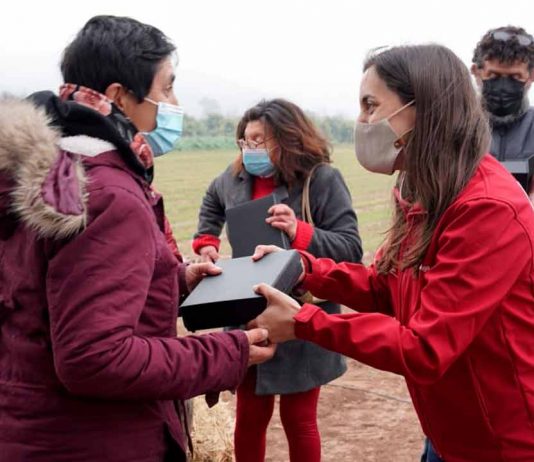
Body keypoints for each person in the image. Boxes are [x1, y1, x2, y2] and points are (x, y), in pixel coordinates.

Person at [0, 15, 275, 462]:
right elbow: (95, 359)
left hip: (33, 426)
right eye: (166, 88)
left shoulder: (46, 173)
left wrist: (169, 277)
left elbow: (49, 295)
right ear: (118, 97)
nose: (173, 102)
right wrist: (227, 352)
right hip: (95, 441)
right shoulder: (109, 195)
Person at [249, 45, 534, 462]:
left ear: (426, 109)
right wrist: (303, 270)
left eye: (371, 105)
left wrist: (305, 323)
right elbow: (387, 289)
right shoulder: (421, 189)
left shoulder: (486, 207)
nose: (362, 121)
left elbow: (425, 348)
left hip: (501, 441)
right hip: (449, 429)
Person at [192, 98, 362, 462]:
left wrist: (300, 232)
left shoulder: (322, 180)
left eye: (260, 141)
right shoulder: (233, 178)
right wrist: (206, 241)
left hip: (300, 311)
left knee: (299, 419)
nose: (250, 149)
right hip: (245, 308)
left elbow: (350, 247)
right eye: (245, 141)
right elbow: (211, 202)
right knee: (250, 417)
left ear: (288, 139)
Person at [471, 26, 534, 200]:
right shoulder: (453, 126)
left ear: (531, 76)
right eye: (494, 75)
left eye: (515, 77)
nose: (504, 87)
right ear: (476, 71)